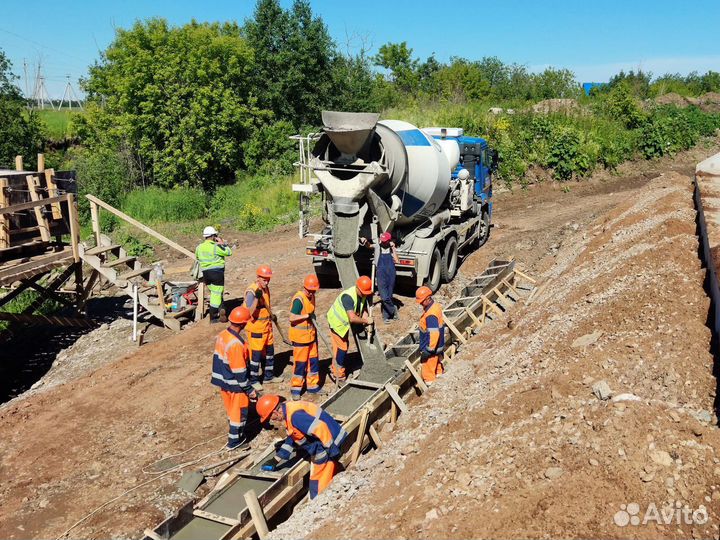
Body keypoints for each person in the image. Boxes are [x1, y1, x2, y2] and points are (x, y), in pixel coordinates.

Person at [256, 394, 347, 499]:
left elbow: (321, 428)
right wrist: (276, 459)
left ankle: (319, 502)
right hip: (328, 439)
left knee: (317, 481)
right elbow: (293, 436)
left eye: (270, 418)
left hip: (331, 442)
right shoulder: (290, 411)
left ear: (275, 412)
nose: (272, 421)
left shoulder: (296, 416)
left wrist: (332, 450)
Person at [210, 306, 258, 449]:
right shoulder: (236, 344)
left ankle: (235, 433)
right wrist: (249, 390)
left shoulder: (223, 334)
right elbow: (239, 371)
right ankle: (235, 442)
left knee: (231, 411)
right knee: (238, 413)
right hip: (235, 384)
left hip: (224, 381)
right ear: (243, 323)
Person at [326, 276, 373, 383]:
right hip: (337, 323)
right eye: (363, 292)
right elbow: (352, 318)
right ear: (358, 288)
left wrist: (365, 316)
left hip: (344, 322)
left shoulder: (362, 293)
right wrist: (366, 321)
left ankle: (336, 368)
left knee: (339, 347)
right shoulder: (348, 297)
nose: (365, 294)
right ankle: (338, 374)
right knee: (342, 347)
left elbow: (363, 307)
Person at [244, 265, 282, 388]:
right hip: (256, 329)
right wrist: (256, 297)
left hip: (267, 327)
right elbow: (249, 312)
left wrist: (271, 316)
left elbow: (266, 306)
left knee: (269, 353)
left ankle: (268, 377)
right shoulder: (252, 291)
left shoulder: (266, 289)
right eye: (264, 279)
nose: (267, 282)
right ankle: (254, 380)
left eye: (268, 279)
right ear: (258, 278)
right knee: (255, 356)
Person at [289, 275, 322, 400]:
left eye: (313, 291)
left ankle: (312, 386)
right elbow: (292, 318)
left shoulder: (312, 296)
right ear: (305, 288)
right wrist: (306, 316)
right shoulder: (299, 300)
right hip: (300, 339)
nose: (311, 293)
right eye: (309, 290)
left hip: (311, 337)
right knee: (300, 365)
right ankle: (296, 389)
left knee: (313, 362)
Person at [195, 226, 232, 323]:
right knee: (216, 295)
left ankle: (221, 309)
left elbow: (197, 257)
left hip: (206, 274)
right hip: (217, 273)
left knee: (216, 292)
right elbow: (228, 252)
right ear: (213, 236)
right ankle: (214, 317)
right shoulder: (216, 246)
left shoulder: (199, 247)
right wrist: (222, 244)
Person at [360, 232, 399, 323]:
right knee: (384, 296)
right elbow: (369, 246)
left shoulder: (391, 247)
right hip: (381, 273)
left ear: (389, 240)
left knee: (389, 295)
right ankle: (393, 310)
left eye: (384, 241)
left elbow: (397, 261)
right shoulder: (378, 246)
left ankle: (387, 317)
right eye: (382, 240)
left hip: (391, 273)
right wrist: (365, 241)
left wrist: (393, 248)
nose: (382, 242)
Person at [416, 286, 445, 384]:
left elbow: (434, 334)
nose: (420, 303)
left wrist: (428, 350)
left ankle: (431, 390)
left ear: (428, 299)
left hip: (432, 350)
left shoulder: (431, 315)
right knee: (438, 369)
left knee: (428, 375)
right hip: (438, 347)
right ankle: (440, 383)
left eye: (421, 301)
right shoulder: (435, 306)